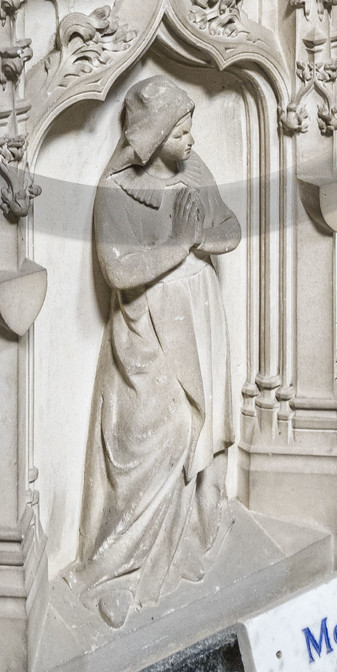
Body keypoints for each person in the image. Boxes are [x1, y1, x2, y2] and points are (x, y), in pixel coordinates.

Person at [75, 73, 240, 628]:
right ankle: (123, 570)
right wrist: (178, 245)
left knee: (198, 431)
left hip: (200, 315)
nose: (191, 141)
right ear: (153, 133)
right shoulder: (116, 189)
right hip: (147, 329)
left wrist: (196, 239)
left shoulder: (195, 173)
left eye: (191, 129)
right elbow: (118, 268)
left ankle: (194, 528)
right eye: (181, 131)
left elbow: (230, 231)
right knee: (154, 437)